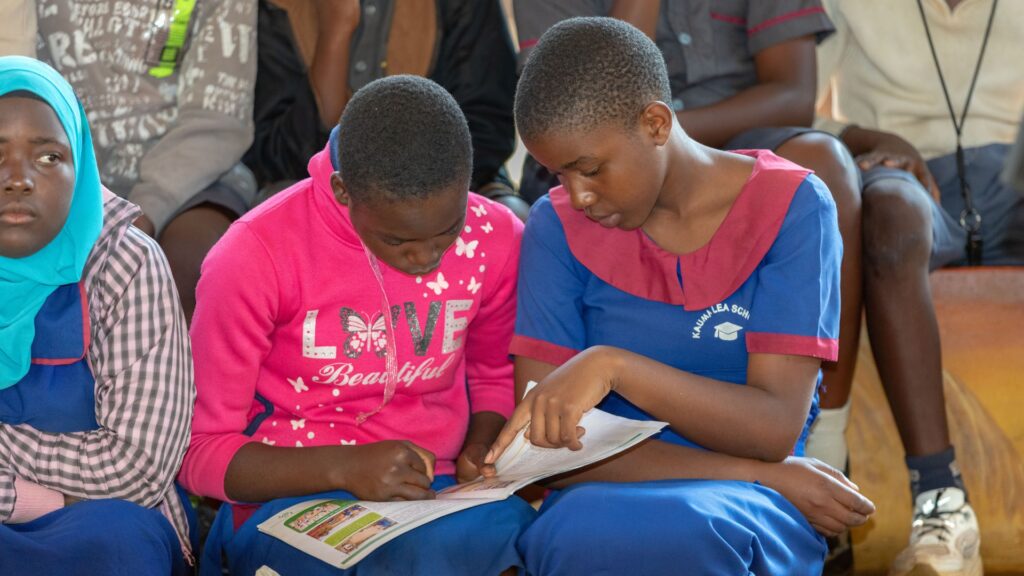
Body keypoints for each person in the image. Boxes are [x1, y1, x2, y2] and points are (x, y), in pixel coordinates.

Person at [480, 18, 874, 576]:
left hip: (743, 511)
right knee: (586, 534)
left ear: (656, 123)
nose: (578, 196)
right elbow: (542, 449)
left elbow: (772, 429)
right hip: (608, 495)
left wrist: (613, 367)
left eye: (590, 169)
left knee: (694, 531)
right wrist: (761, 474)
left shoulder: (793, 207)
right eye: (557, 175)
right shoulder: (556, 226)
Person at [178, 75, 535, 575]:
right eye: (397, 241)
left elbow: (494, 375)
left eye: (448, 230)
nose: (428, 258)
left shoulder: (495, 237)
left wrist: (482, 443)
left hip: (440, 491)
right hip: (284, 499)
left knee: (539, 546)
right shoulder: (255, 255)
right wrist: (345, 467)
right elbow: (200, 452)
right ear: (343, 190)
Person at [815, 0, 1024, 573]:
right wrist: (863, 139)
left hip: (1017, 168)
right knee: (887, 212)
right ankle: (941, 502)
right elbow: (798, 104)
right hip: (902, 169)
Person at [0, 56, 194, 575]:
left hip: (101, 522)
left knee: (116, 542)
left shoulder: (124, 263)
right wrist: (23, 497)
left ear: (79, 164)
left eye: (46, 158)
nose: (17, 180)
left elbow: (139, 470)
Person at [34, 0, 259, 322]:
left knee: (189, 268)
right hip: (62, 169)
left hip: (191, 179)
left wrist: (144, 210)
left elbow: (218, 119)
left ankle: (168, 370)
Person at [245, 0, 530, 220]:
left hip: (443, 182)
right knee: (274, 214)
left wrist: (402, 189)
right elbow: (275, 155)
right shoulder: (275, 6)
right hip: (317, 185)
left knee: (512, 217)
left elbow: (488, 131)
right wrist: (336, 31)